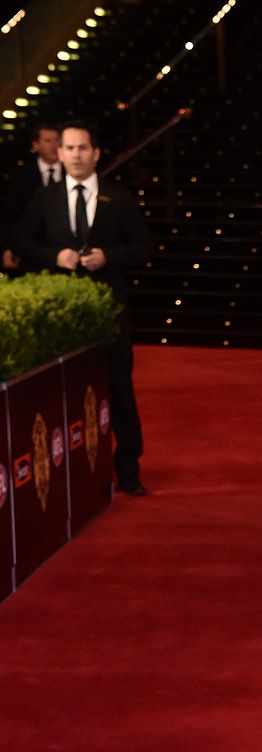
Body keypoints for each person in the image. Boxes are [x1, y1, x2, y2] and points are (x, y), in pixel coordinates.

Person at [13, 121, 153, 496]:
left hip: (110, 309)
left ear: (95, 153)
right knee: (66, 391)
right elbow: (22, 241)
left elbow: (144, 247)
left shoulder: (119, 198)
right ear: (59, 153)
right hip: (65, 312)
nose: (76, 155)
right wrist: (55, 256)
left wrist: (108, 256)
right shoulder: (46, 199)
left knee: (119, 386)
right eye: (69, 148)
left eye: (82, 148)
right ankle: (75, 473)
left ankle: (128, 468)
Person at [1, 122, 62, 272]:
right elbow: (10, 216)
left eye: (57, 140)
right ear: (36, 145)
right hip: (31, 255)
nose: (54, 145)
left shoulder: (73, 174)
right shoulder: (21, 177)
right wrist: (8, 248)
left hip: (67, 252)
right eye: (48, 141)